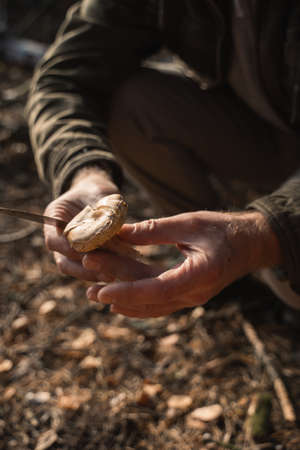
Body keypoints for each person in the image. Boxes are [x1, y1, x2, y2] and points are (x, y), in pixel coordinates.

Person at [26, 0, 300, 318]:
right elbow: (64, 78)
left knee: (290, 286)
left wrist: (265, 233)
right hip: (269, 132)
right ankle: (215, 275)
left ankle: (247, 263)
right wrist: (84, 172)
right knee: (132, 103)